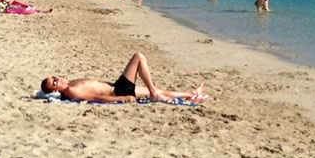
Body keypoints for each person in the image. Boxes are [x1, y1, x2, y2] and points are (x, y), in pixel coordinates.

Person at [41, 52, 209, 102]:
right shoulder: (72, 91)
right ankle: (153, 93)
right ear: (54, 89)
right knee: (138, 57)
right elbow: (97, 97)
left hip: (117, 87)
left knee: (160, 90)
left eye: (56, 77)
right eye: (55, 81)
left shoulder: (70, 84)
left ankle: (190, 94)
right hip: (118, 91)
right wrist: (124, 99)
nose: (59, 79)